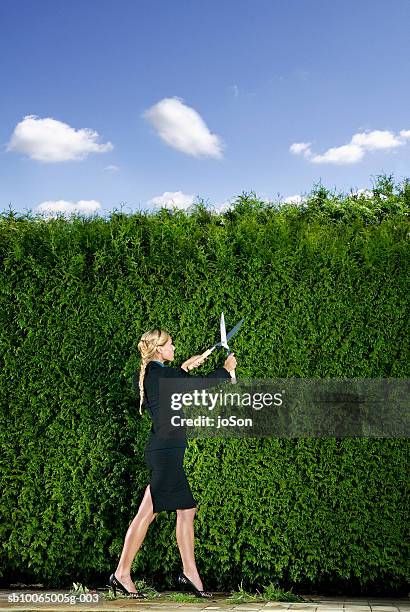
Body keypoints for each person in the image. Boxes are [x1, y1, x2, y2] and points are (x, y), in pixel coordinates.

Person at [109, 328, 237, 599]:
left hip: (166, 451)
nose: (175, 347)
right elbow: (197, 386)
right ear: (158, 349)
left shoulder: (156, 374)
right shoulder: (162, 375)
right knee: (149, 513)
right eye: (171, 345)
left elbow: (174, 389)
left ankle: (189, 573)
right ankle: (122, 573)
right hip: (166, 454)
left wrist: (184, 367)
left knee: (185, 509)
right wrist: (226, 371)